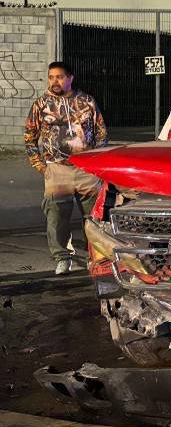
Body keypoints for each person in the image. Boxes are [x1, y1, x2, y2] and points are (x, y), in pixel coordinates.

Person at [24, 61, 108, 275]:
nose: (55, 81)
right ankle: (62, 258)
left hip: (86, 170)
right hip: (56, 170)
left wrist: (96, 161)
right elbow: (30, 137)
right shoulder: (40, 104)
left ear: (70, 78)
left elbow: (101, 133)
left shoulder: (87, 101)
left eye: (60, 77)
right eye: (51, 77)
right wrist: (40, 166)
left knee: (94, 219)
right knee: (56, 217)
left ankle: (96, 258)